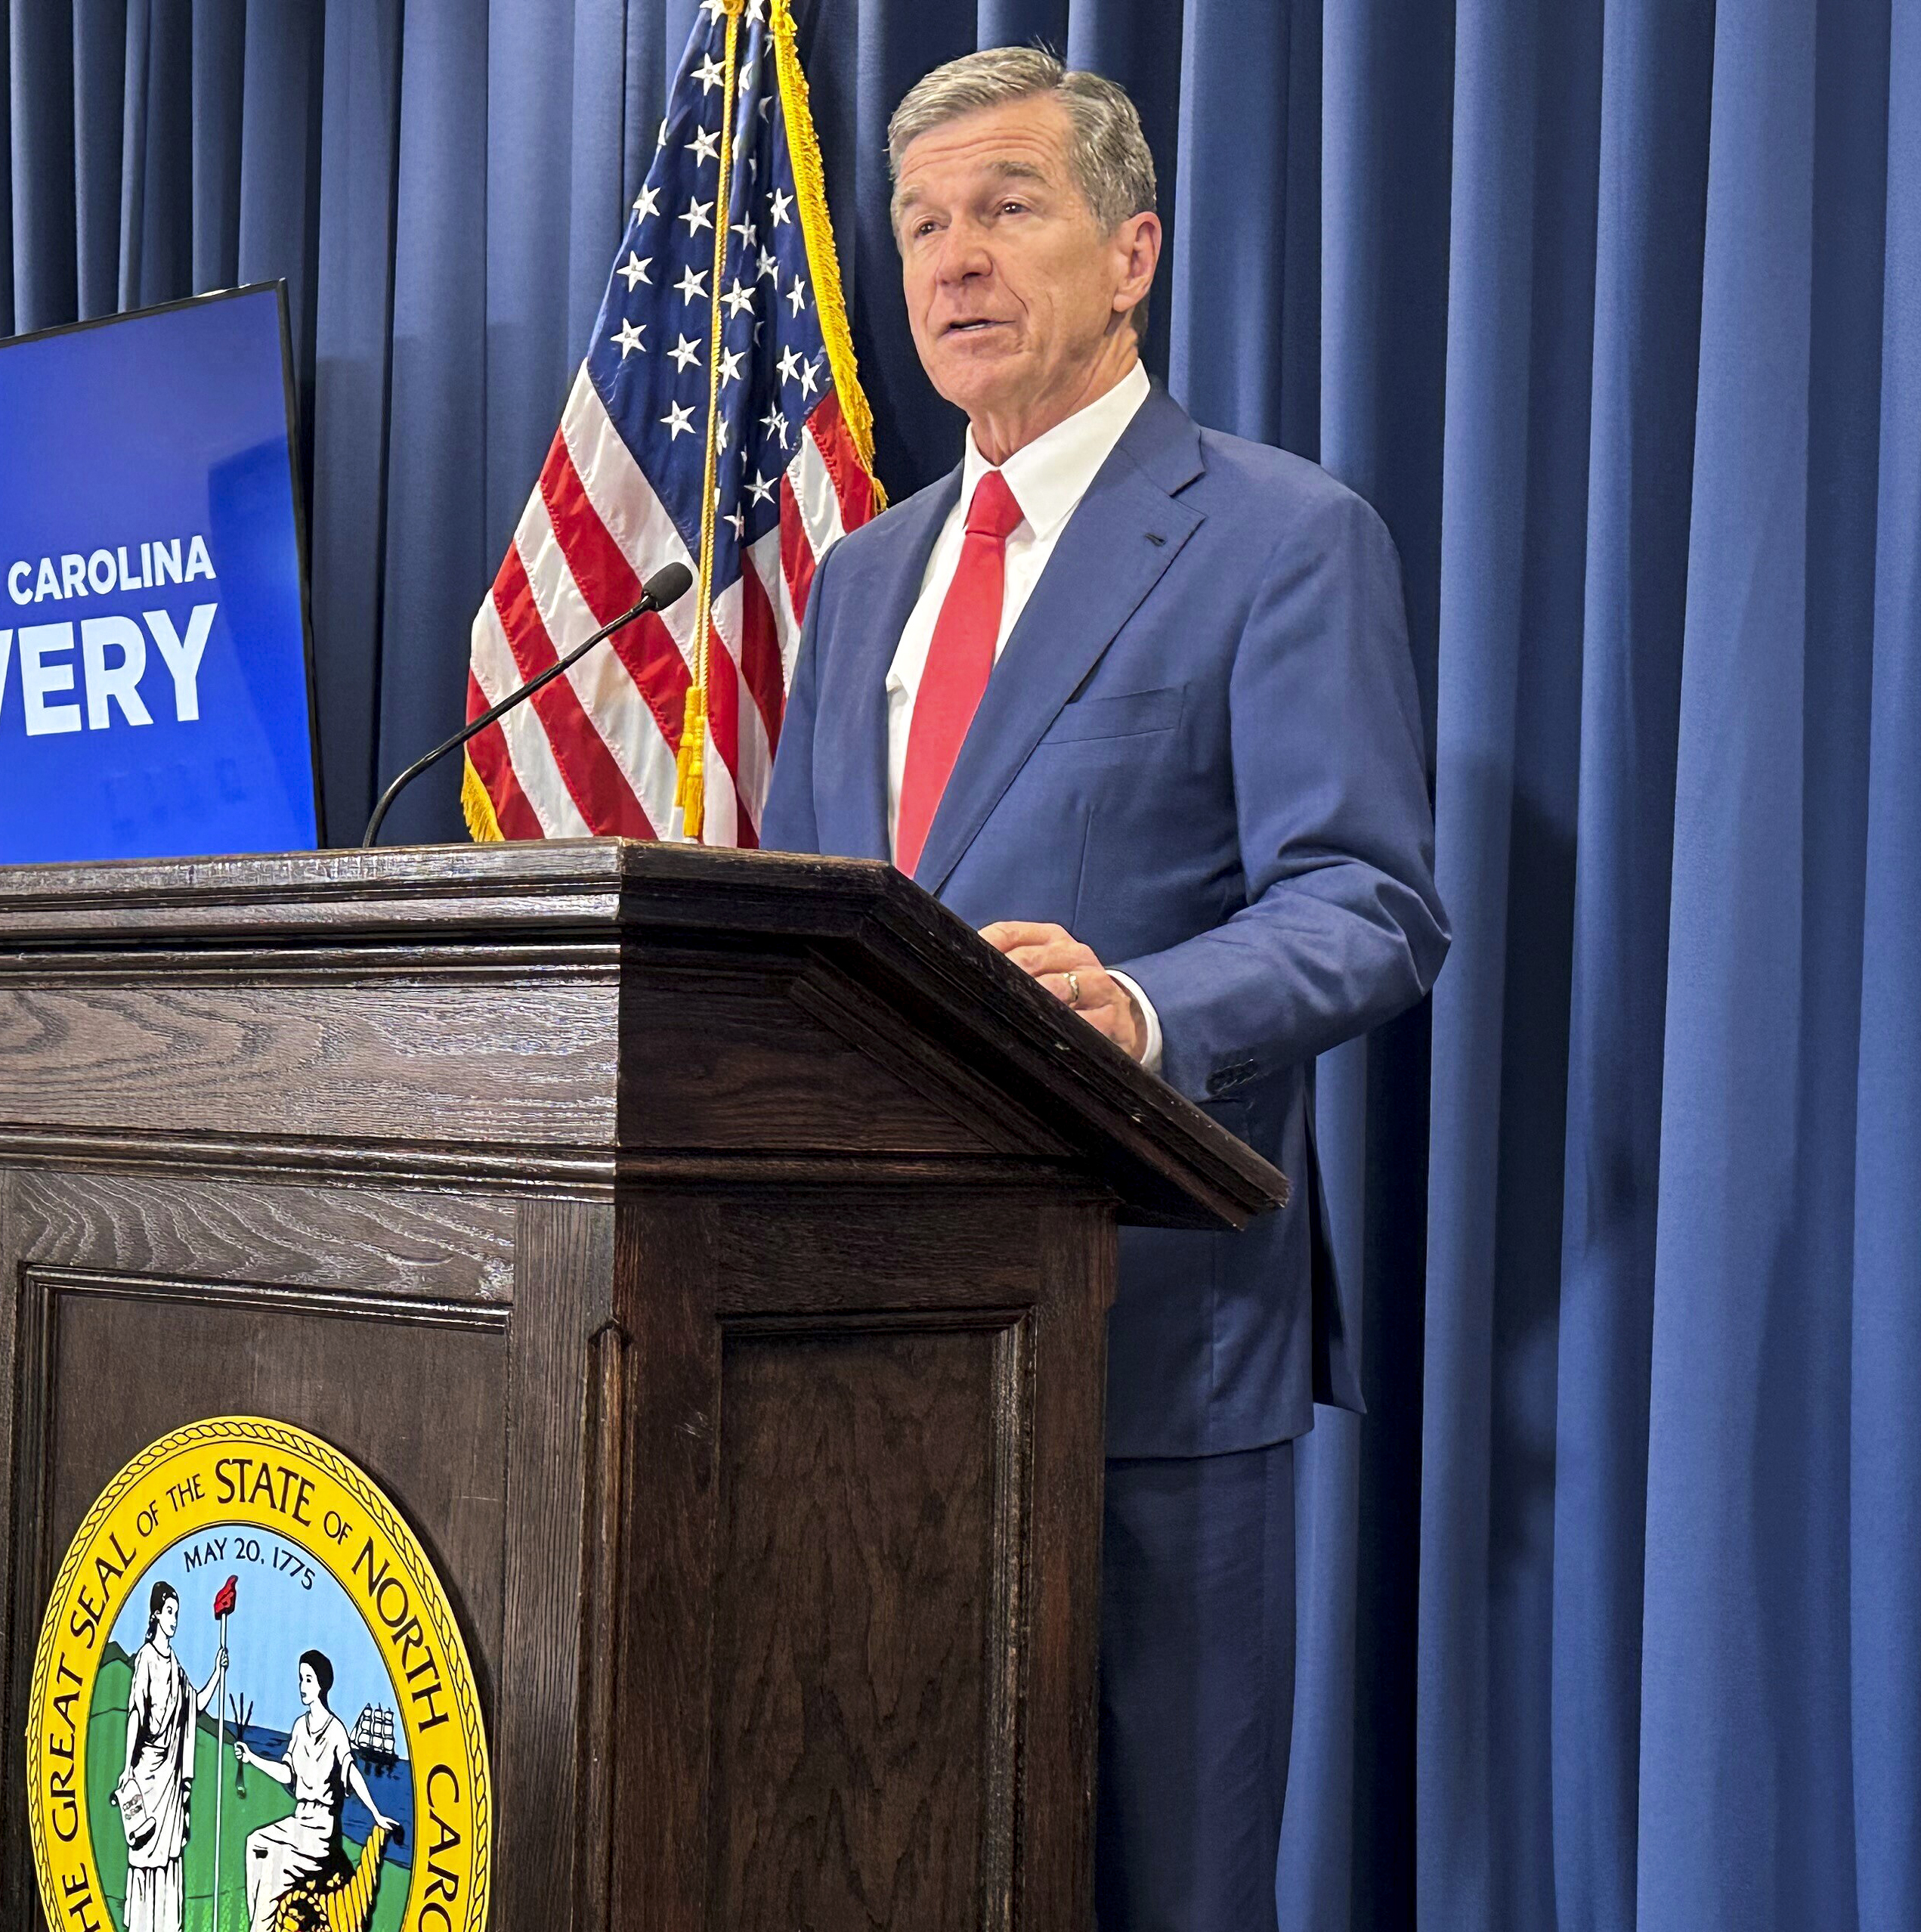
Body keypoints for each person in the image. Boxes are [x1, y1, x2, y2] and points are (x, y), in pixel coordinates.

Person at [759, 45, 1448, 1932]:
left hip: (1141, 1341)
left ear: (1130, 249)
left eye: (1005, 207)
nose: (953, 260)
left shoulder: (1278, 537)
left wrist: (1140, 1013)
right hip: (844, 1359)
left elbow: (1369, 905)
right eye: (919, 224)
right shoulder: (858, 579)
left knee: (1161, 1880)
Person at [237, 1650, 393, 1932]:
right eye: (300, 1679)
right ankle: (260, 1924)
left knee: (277, 1863)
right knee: (256, 1843)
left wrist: (375, 1813)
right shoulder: (299, 1727)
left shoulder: (335, 1731)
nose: (302, 1686)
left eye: (308, 1679)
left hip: (321, 1831)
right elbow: (288, 1773)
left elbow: (351, 1771)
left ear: (321, 1684)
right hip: (299, 1820)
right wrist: (252, 1758)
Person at [115, 1582, 221, 1932]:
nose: (175, 1620)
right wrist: (128, 1768)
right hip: (147, 1775)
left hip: (171, 1782)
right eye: (170, 1612)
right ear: (156, 1614)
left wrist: (218, 1673)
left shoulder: (177, 1667)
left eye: (178, 1614)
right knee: (145, 1856)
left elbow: (196, 1705)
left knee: (170, 1857)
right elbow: (136, 1714)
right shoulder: (146, 1659)